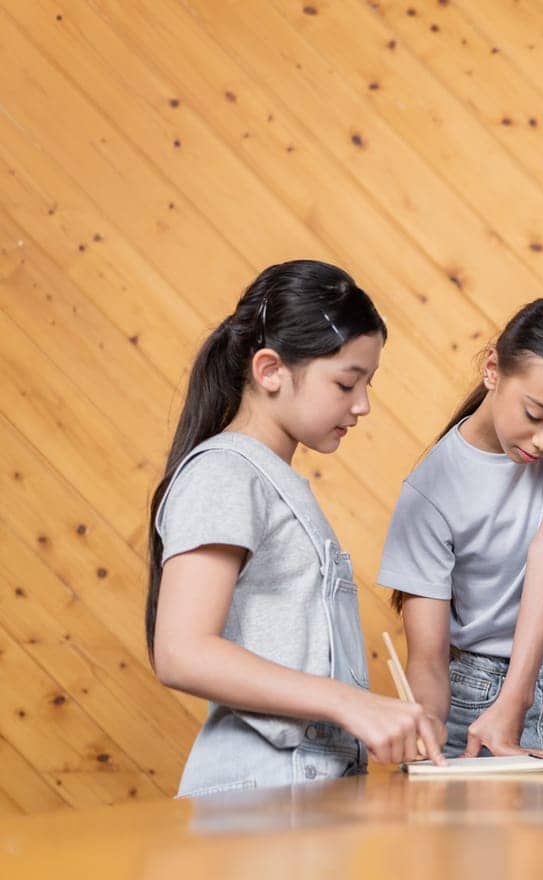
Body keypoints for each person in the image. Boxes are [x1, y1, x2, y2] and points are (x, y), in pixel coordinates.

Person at [149, 260, 445, 798]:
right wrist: (349, 701)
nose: (363, 405)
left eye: (368, 383)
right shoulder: (223, 474)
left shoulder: (270, 479)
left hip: (300, 798)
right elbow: (181, 650)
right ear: (269, 371)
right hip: (256, 800)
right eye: (346, 383)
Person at [379, 298, 543, 758]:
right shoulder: (430, 492)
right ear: (492, 369)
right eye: (534, 416)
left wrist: (519, 697)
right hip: (477, 695)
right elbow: (429, 660)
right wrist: (426, 731)